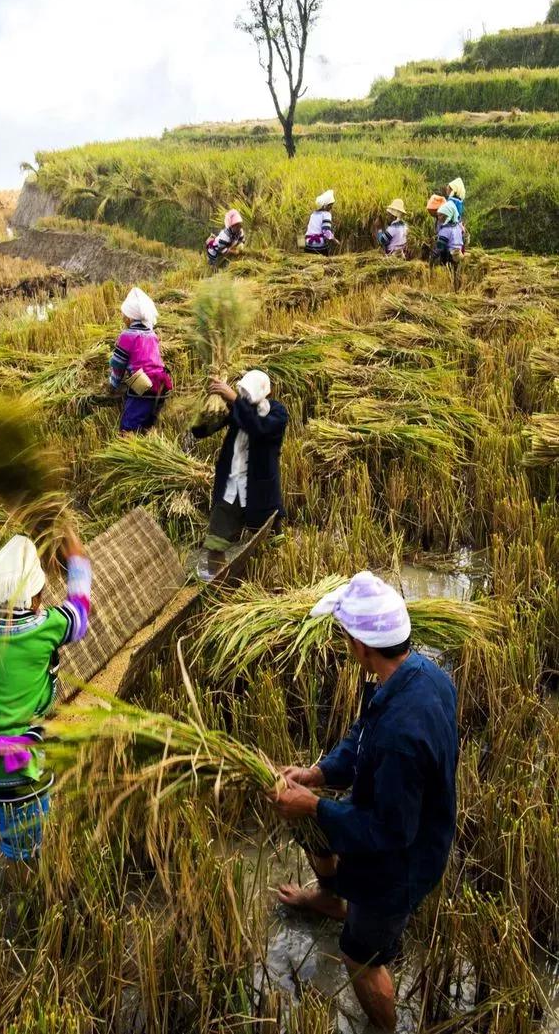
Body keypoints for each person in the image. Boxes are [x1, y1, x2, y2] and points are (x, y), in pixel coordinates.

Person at [269, 572, 458, 1032]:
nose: (343, 643)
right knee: (314, 827)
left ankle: (385, 1028)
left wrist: (315, 806)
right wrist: (320, 774)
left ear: (361, 645)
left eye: (344, 635)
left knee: (361, 955)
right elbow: (362, 736)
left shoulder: (401, 736)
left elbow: (389, 832)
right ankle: (334, 900)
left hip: (400, 865)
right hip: (400, 826)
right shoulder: (421, 674)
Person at [0, 530, 91, 867]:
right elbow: (80, 613)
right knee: (26, 853)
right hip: (14, 771)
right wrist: (77, 560)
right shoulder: (45, 627)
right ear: (32, 599)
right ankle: (20, 895)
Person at [191, 369, 288, 576]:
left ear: (267, 394)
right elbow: (200, 432)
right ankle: (219, 584)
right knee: (215, 543)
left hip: (260, 490)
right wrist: (210, 404)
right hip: (231, 488)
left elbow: (258, 428)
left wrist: (235, 400)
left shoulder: (277, 413)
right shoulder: (237, 410)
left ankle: (273, 582)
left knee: (271, 544)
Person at [109, 287, 172, 435]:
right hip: (162, 384)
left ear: (130, 318)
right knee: (147, 425)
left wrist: (113, 384)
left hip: (144, 385)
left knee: (128, 429)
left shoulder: (127, 335)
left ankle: (127, 453)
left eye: (124, 315)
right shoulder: (151, 334)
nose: (122, 317)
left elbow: (118, 365)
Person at [432, 200, 465, 289]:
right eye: (438, 215)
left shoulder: (445, 230)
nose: (438, 217)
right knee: (457, 274)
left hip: (449, 256)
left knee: (447, 272)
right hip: (459, 253)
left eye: (441, 215)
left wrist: (432, 257)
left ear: (447, 216)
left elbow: (440, 247)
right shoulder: (457, 226)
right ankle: (457, 288)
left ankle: (447, 286)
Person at [304, 190, 336, 255]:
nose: (331, 207)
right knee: (324, 263)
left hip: (307, 244)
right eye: (330, 205)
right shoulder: (326, 214)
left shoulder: (313, 214)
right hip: (318, 245)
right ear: (326, 205)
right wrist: (335, 240)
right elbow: (326, 231)